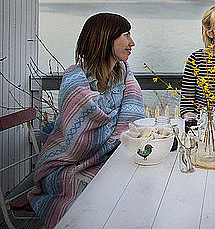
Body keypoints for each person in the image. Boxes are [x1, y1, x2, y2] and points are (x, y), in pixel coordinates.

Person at [28, 13, 146, 228]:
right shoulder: (76, 81)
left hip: (107, 160)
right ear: (106, 38)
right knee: (100, 197)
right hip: (67, 165)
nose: (132, 42)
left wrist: (119, 133)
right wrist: (118, 133)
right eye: (126, 35)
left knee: (136, 184)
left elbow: (135, 119)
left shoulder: (124, 73)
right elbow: (79, 142)